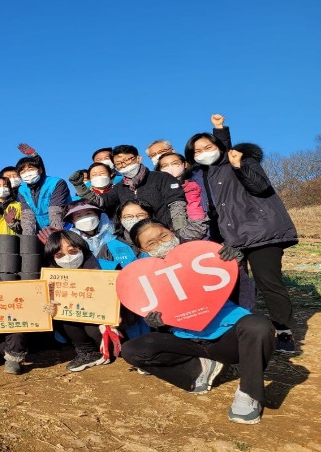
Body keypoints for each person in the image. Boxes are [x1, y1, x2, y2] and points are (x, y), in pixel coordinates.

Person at [121, 218, 275, 424]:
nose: (160, 244)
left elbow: (247, 298)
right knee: (132, 350)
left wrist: (236, 266)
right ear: (141, 249)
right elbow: (160, 319)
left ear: (172, 231)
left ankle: (248, 392)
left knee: (258, 326)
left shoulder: (205, 255)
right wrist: (157, 323)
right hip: (187, 342)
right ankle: (198, 370)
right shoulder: (145, 276)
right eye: (151, 244)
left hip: (229, 339)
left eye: (163, 236)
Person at [185, 115, 299, 352]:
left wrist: (221, 132)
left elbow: (260, 186)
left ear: (219, 147)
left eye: (209, 147)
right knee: (234, 285)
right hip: (230, 238)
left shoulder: (239, 162)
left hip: (261, 232)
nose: (204, 152)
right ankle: (241, 330)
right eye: (197, 150)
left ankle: (285, 333)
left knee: (268, 282)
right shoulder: (201, 175)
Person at [42, 230, 123, 372]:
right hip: (77, 321)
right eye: (59, 255)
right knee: (62, 313)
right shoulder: (51, 278)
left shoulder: (107, 268)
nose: (67, 258)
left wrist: (117, 312)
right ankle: (87, 352)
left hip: (108, 327)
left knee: (94, 328)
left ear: (82, 248)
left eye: (72, 251)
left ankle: (108, 350)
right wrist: (48, 307)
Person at [70, 144, 188, 231]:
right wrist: (80, 186)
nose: (124, 164)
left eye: (127, 160)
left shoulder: (160, 177)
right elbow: (100, 201)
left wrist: (179, 229)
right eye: (119, 163)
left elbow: (176, 202)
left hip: (165, 231)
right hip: (135, 238)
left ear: (138, 158)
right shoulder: (120, 187)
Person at [15, 152, 72, 235]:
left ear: (40, 170)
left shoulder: (56, 183)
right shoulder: (22, 190)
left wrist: (56, 236)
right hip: (40, 231)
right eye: (23, 172)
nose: (27, 173)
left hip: (62, 227)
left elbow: (56, 211)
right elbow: (27, 215)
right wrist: (28, 240)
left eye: (31, 169)